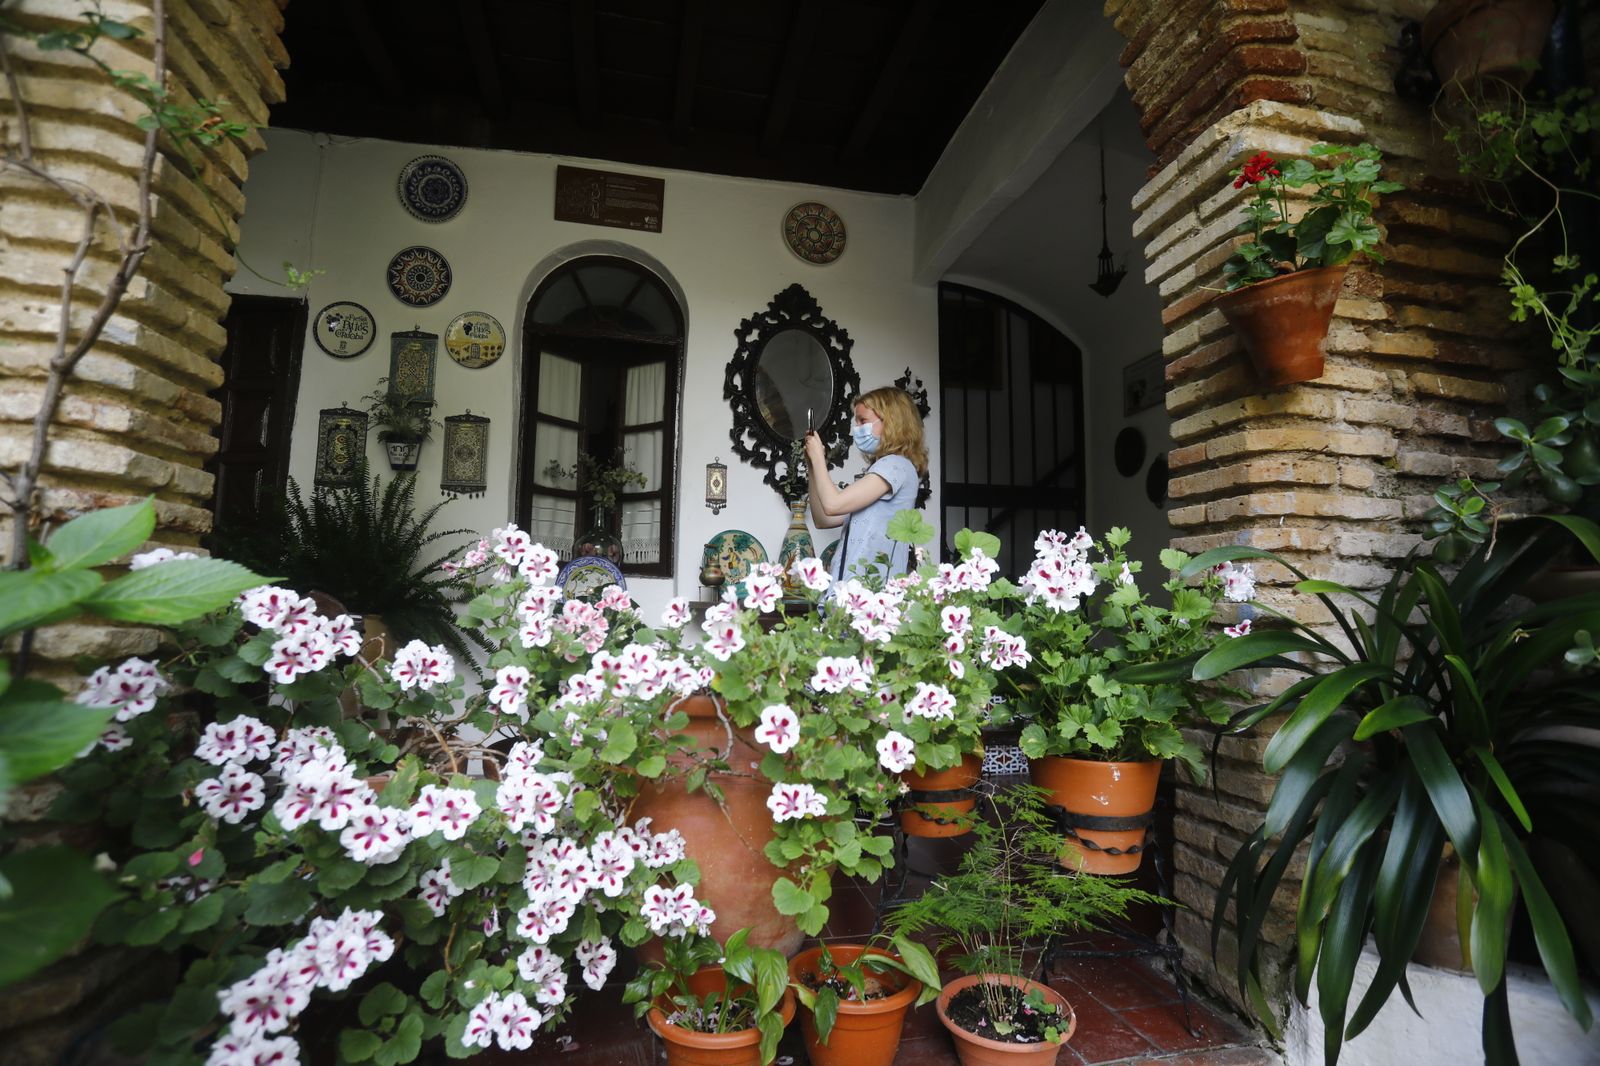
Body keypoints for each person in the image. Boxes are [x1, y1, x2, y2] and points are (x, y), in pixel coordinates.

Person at [803, 386, 928, 585]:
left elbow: (832, 504)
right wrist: (812, 465)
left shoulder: (895, 466)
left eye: (863, 421)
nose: (857, 429)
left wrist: (819, 458)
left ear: (891, 423)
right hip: (853, 593)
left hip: (870, 595)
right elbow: (823, 519)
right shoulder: (882, 470)